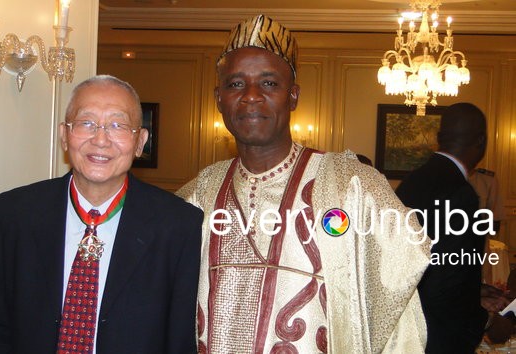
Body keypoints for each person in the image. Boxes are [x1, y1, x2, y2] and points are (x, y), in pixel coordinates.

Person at [177, 14, 430, 353]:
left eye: (269, 83)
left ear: (293, 97)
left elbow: (403, 263)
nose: (251, 96)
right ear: (219, 98)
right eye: (236, 84)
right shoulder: (198, 194)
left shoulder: (351, 186)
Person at [0, 75, 203, 354]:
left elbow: (179, 343)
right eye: (86, 123)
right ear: (64, 135)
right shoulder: (14, 214)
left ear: (140, 142)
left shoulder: (178, 225)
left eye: (117, 125)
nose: (100, 139)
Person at [396, 102, 513, 352]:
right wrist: (490, 322)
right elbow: (443, 288)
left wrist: (476, 289)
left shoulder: (411, 182)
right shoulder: (462, 194)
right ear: (481, 142)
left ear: (439, 138)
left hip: (407, 330)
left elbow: (428, 266)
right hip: (440, 338)